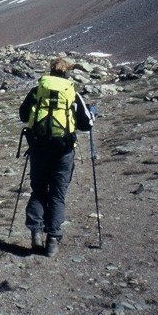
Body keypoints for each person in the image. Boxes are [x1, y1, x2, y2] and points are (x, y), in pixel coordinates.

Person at [18, 56, 94, 257]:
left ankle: (35, 232)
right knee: (57, 195)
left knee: (38, 191)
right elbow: (87, 124)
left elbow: (23, 115)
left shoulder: (37, 91)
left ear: (50, 72)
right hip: (63, 151)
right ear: (67, 73)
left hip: (39, 148)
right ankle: (52, 239)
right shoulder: (72, 94)